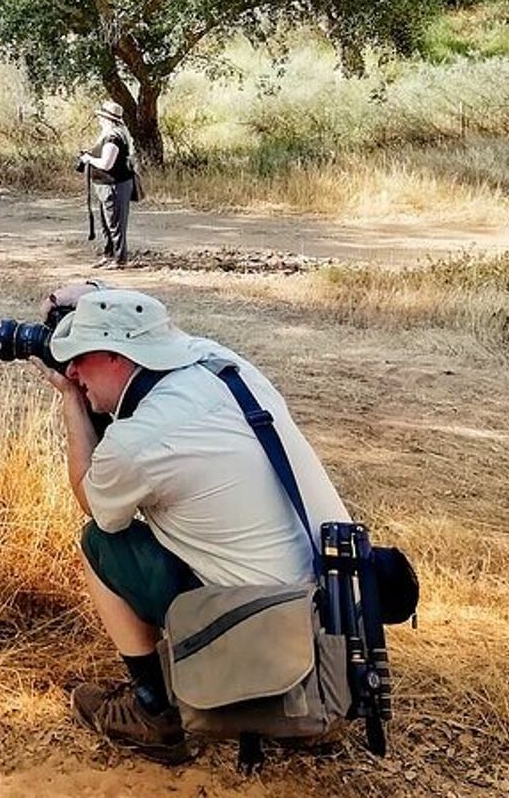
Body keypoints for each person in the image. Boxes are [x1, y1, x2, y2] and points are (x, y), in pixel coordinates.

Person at [30, 285, 351, 762]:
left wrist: (72, 404)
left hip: (262, 631)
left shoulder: (140, 440)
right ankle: (303, 698)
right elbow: (151, 320)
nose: (71, 372)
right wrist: (92, 295)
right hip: (333, 621)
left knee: (102, 541)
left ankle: (152, 710)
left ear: (118, 357)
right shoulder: (218, 361)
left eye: (78, 358)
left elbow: (91, 500)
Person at [77, 101, 136, 269]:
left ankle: (119, 259)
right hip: (107, 185)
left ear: (108, 119)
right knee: (107, 223)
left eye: (101, 117)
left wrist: (89, 159)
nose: (99, 120)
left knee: (115, 224)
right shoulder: (114, 135)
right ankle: (109, 255)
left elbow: (106, 164)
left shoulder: (113, 138)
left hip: (114, 186)